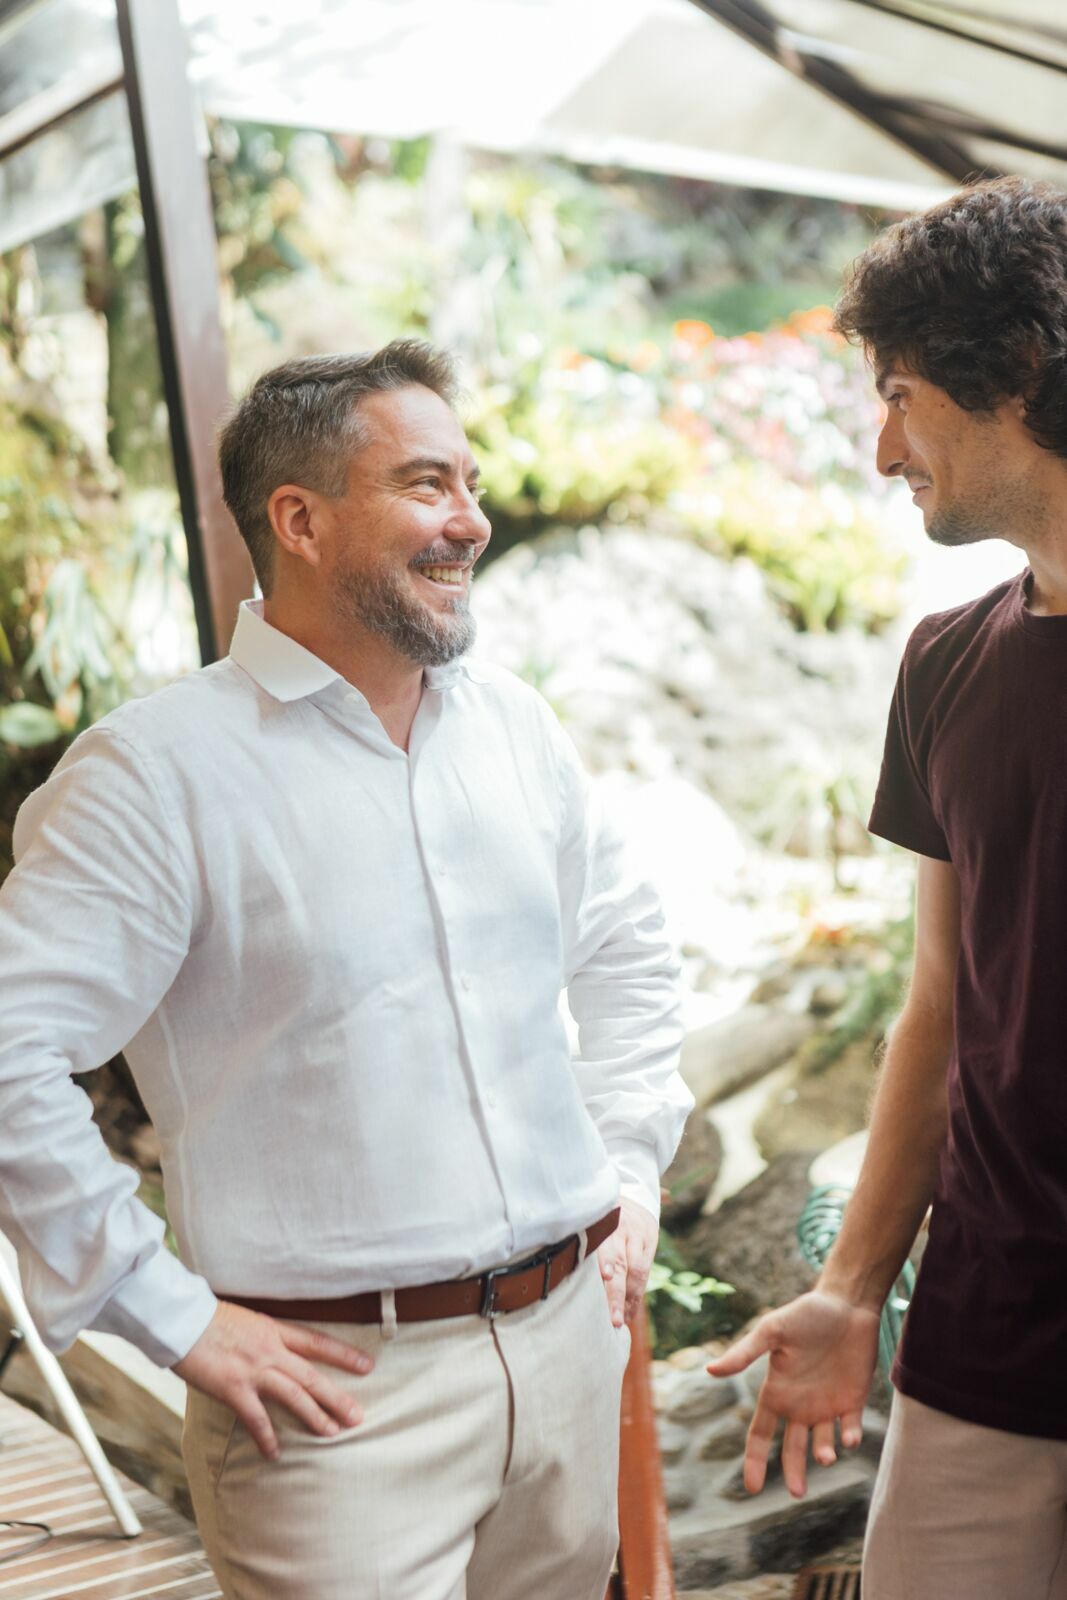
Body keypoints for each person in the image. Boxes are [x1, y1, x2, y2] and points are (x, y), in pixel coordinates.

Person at [0, 340, 692, 1600]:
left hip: (572, 1350)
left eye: (468, 483)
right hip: (335, 1407)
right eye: (427, 485)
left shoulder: (517, 726)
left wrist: (630, 1169)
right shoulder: (151, 777)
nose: (471, 522)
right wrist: (162, 1309)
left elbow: (630, 952)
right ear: (300, 519)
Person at [707, 176, 1067, 1599]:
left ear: (1021, 374)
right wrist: (852, 1285)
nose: (877, 449)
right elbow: (940, 999)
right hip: (981, 1329)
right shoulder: (941, 662)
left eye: (902, 395)